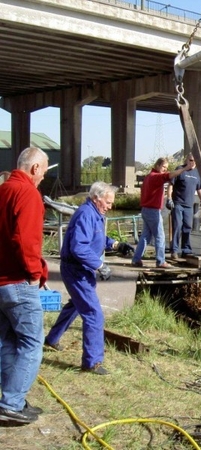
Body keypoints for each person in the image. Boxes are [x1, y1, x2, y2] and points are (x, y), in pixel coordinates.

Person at [44, 182, 119, 376]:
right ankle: (92, 362)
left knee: (76, 305)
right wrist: (100, 265)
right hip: (76, 270)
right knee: (93, 313)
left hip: (82, 270)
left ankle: (52, 339)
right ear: (96, 198)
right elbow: (79, 247)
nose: (110, 206)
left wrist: (116, 245)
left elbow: (96, 239)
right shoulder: (86, 214)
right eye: (108, 202)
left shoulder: (95, 214)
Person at [0, 147, 49, 424]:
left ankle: (11, 397)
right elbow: (26, 240)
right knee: (31, 343)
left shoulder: (3, 190)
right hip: (18, 282)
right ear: (34, 169)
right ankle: (12, 402)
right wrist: (34, 274)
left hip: (1, 281)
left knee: (6, 341)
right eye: (43, 170)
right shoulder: (28, 193)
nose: (42, 177)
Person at [131, 157, 191, 268]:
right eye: (163, 167)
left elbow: (168, 175)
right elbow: (170, 175)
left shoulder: (148, 177)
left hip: (145, 209)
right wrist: (185, 168)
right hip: (152, 210)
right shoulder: (156, 177)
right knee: (160, 236)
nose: (164, 169)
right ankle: (160, 261)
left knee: (145, 236)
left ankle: (136, 259)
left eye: (166, 168)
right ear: (157, 165)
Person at [166, 154, 201, 259]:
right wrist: (169, 198)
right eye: (191, 160)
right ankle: (174, 250)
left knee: (187, 227)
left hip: (189, 205)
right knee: (177, 226)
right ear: (187, 160)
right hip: (178, 203)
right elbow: (171, 184)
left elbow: (199, 189)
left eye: (195, 161)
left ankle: (186, 250)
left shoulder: (197, 173)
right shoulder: (180, 170)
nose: (193, 163)